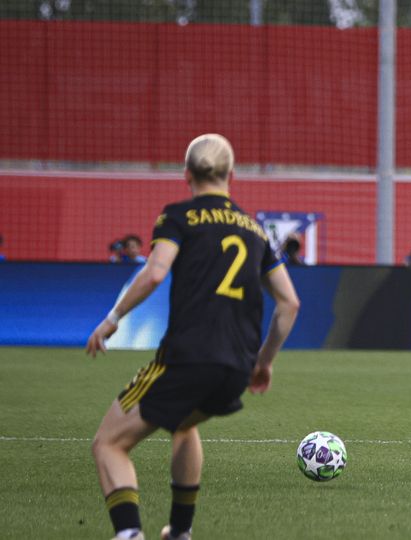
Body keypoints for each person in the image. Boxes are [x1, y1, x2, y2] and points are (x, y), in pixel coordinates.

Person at [86, 133, 301, 540]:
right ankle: (180, 532)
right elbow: (289, 303)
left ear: (187, 174)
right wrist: (264, 362)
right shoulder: (254, 230)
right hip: (236, 365)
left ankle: (129, 533)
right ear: (231, 176)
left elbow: (154, 273)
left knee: (108, 444)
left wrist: (113, 318)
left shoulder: (178, 217)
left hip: (187, 358)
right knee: (184, 425)